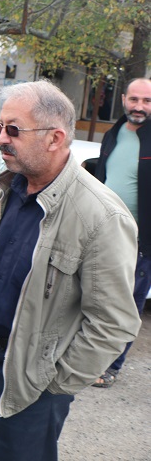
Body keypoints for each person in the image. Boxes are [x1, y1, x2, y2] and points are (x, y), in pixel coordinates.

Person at [0, 80, 142, 461]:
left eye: (14, 130)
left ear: (55, 138)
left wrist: (53, 384)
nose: (2, 139)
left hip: (34, 382)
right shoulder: (10, 187)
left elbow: (114, 322)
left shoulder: (101, 216)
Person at [92, 77, 151, 387]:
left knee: (127, 306)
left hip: (141, 243)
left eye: (147, 101)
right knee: (96, 299)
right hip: (104, 235)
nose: (139, 106)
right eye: (134, 99)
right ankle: (87, 359)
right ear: (124, 99)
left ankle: (111, 366)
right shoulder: (112, 134)